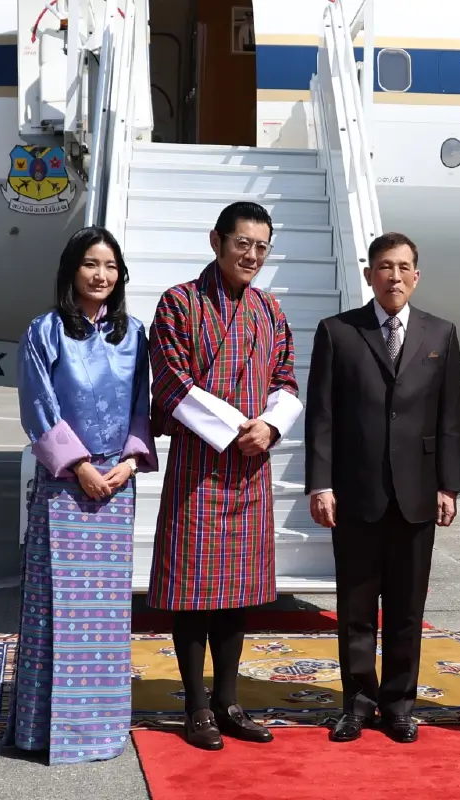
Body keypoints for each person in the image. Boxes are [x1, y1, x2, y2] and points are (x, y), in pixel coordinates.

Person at [146, 201, 303, 751]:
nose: (252, 256)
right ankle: (195, 707)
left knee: (238, 594)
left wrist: (272, 429)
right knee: (193, 593)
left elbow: (286, 380)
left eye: (262, 246)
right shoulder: (178, 303)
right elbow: (169, 382)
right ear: (216, 241)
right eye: (243, 244)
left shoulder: (269, 309)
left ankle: (228, 701)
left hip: (250, 468)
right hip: (198, 466)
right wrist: (239, 427)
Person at [3, 225, 158, 765]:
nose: (102, 275)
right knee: (55, 607)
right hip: (67, 486)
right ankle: (44, 730)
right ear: (72, 270)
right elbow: (38, 406)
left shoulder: (133, 333)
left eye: (111, 266)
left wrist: (132, 461)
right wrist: (81, 466)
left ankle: (101, 729)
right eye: (92, 264)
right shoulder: (44, 331)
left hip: (117, 487)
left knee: (107, 615)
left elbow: (143, 404)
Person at [304, 231, 460, 744]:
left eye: (403, 267)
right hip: (356, 493)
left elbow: (449, 419)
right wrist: (320, 484)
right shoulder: (338, 332)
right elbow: (322, 417)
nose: (394, 276)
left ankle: (399, 703)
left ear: (416, 275)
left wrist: (448, 485)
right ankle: (357, 702)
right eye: (384, 267)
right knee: (355, 608)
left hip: (417, 493)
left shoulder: (440, 334)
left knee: (406, 608)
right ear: (370, 273)